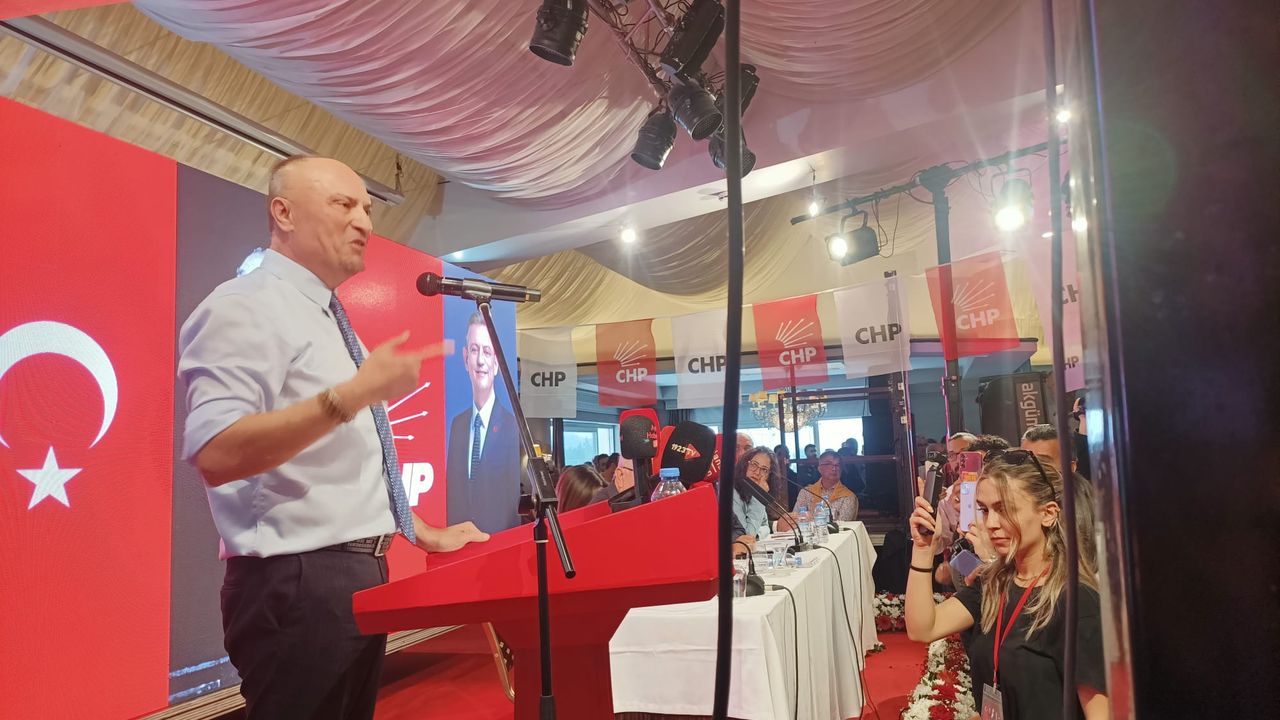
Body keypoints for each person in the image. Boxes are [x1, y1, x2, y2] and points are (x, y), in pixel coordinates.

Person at [177, 156, 489, 720]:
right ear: (283, 213)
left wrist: (418, 531)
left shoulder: (326, 317)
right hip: (297, 583)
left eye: (367, 208)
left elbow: (349, 461)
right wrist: (352, 395)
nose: (364, 221)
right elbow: (217, 451)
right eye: (343, 204)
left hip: (352, 577)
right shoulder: (243, 306)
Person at [905, 451, 1109, 719]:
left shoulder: (1076, 601)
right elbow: (923, 628)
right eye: (985, 510)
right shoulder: (993, 583)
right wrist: (922, 550)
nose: (991, 524)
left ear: (1048, 513)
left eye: (1005, 509)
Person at [446, 311, 520, 533]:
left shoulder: (512, 427)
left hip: (497, 545)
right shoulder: (458, 425)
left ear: (496, 363)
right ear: (465, 358)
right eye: (474, 350)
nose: (480, 360)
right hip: (458, 544)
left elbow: (512, 503)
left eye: (487, 352)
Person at [729, 447, 779, 555]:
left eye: (764, 470)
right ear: (744, 465)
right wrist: (758, 499)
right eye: (754, 465)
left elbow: (765, 527)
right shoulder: (731, 491)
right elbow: (747, 535)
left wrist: (756, 535)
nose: (757, 472)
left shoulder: (751, 489)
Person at [792, 449, 859, 521]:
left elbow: (842, 525)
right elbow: (794, 520)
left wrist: (810, 518)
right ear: (819, 469)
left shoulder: (848, 496)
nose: (834, 468)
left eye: (837, 465)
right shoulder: (806, 492)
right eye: (829, 464)